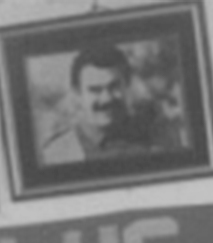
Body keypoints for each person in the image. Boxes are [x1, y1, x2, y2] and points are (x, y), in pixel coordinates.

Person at [40, 43, 182, 165]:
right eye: (95, 90)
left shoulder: (159, 141)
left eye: (114, 87)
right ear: (78, 94)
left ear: (127, 85)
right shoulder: (55, 155)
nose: (106, 98)